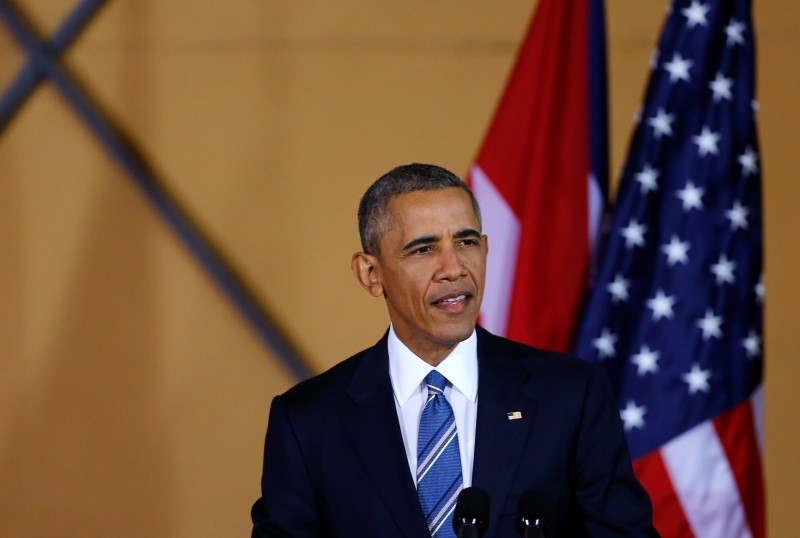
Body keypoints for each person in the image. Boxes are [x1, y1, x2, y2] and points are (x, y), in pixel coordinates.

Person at [251, 163, 658, 537]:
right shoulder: (308, 421)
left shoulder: (571, 395)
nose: (454, 268)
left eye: (465, 242)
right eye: (424, 249)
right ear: (372, 274)